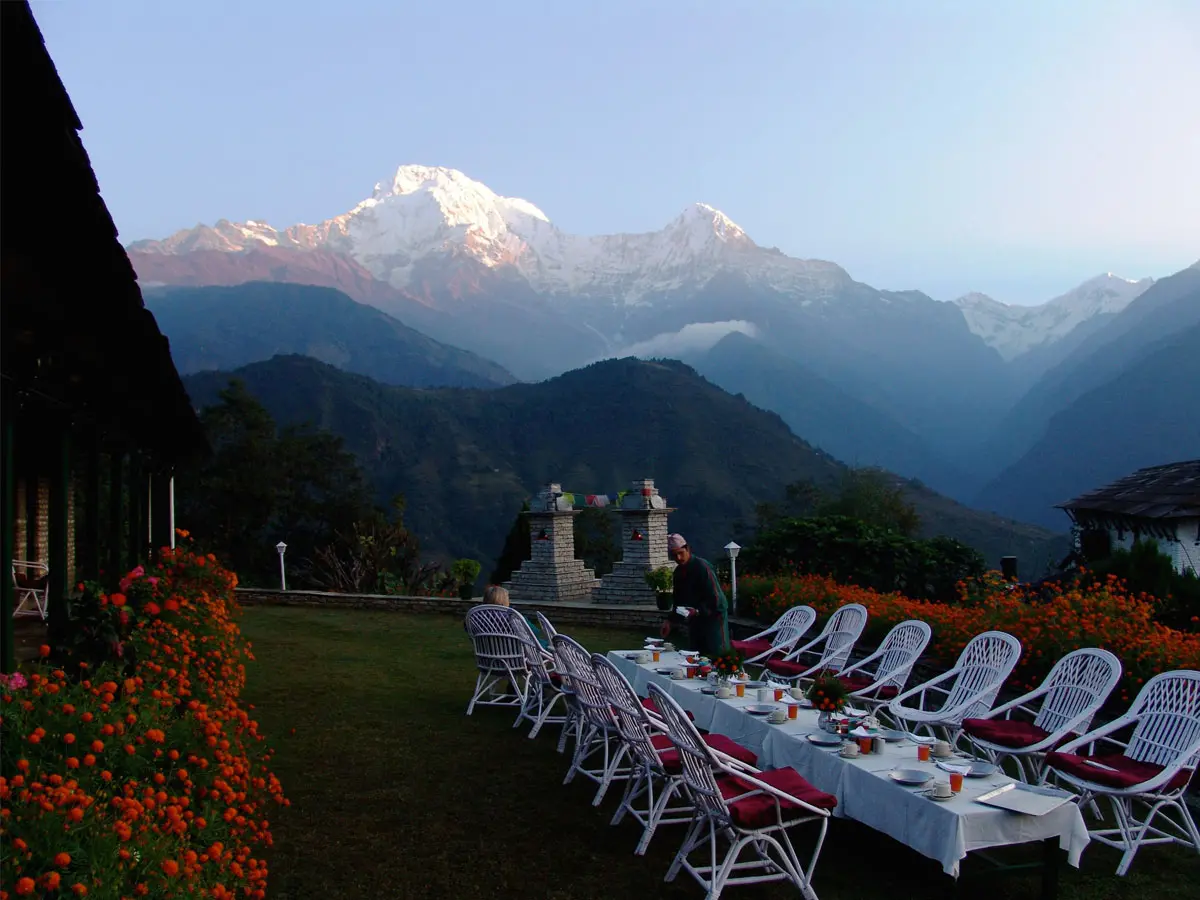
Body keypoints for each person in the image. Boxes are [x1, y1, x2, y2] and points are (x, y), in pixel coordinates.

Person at [659, 534, 730, 659]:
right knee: (695, 658)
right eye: (674, 555)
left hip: (713, 622)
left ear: (687, 549)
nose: (678, 558)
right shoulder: (678, 573)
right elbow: (679, 601)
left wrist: (698, 611)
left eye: (680, 553)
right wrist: (670, 621)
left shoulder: (702, 567)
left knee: (716, 658)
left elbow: (718, 601)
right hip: (695, 623)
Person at [484, 584, 548, 649]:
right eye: (507, 598)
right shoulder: (513, 617)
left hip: (487, 652)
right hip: (514, 652)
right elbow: (534, 632)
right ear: (503, 600)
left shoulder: (480, 617)